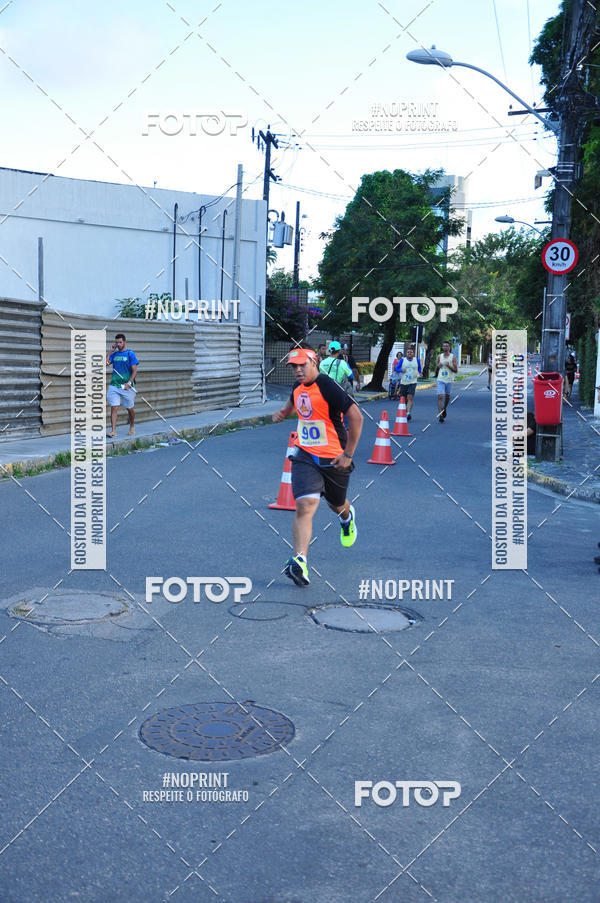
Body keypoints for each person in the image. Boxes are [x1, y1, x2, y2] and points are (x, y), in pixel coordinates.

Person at [272, 346, 363, 587]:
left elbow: (356, 417)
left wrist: (348, 454)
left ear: (315, 362)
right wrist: (283, 412)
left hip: (335, 457)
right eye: (294, 367)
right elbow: (294, 402)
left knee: (336, 504)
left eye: (303, 365)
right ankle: (300, 560)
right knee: (305, 503)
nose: (298, 370)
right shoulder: (297, 386)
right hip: (305, 454)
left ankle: (347, 516)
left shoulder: (329, 386)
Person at [106, 333, 139, 438]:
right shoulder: (114, 355)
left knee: (129, 408)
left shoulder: (130, 354)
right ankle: (113, 431)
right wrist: (110, 351)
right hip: (114, 384)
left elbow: (134, 371)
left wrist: (129, 383)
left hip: (127, 386)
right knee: (114, 407)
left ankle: (132, 425)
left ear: (124, 342)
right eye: (117, 342)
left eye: (120, 342)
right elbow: (105, 363)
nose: (118, 344)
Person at [397, 345, 422, 420]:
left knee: (410, 398)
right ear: (406, 353)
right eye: (408, 352)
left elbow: (419, 368)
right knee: (403, 399)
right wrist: (401, 370)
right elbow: (396, 368)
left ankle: (408, 413)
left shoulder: (417, 360)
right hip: (404, 382)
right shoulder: (402, 360)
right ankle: (406, 411)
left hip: (413, 382)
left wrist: (420, 373)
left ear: (413, 354)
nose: (409, 353)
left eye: (411, 352)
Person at [435, 341, 458, 422]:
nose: (445, 347)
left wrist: (449, 366)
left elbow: (456, 370)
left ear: (449, 347)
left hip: (449, 380)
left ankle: (444, 408)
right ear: (442, 347)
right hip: (440, 379)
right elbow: (437, 368)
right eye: (444, 346)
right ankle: (440, 415)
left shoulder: (453, 357)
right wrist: (438, 366)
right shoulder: (439, 356)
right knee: (440, 396)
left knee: (447, 397)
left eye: (447, 346)